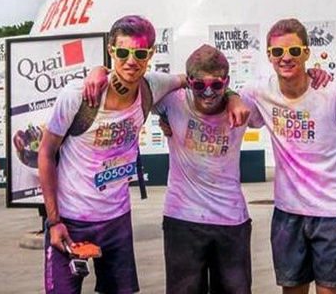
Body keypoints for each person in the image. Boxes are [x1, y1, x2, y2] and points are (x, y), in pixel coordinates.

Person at [38, 15, 249, 294]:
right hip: (71, 218)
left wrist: (233, 95)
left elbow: (199, 80)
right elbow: (46, 152)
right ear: (111, 50)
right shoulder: (78, 96)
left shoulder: (153, 88)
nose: (131, 61)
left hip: (117, 220)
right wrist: (54, 221)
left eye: (139, 53)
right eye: (123, 52)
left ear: (150, 54)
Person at [243, 18, 336, 294]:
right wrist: (166, 119)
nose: (286, 58)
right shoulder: (259, 92)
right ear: (269, 56)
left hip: (333, 212)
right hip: (287, 213)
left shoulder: (332, 91)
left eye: (294, 51)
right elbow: (224, 103)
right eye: (278, 52)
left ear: (306, 52)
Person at [156, 44, 258, 294]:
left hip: (231, 220)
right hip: (183, 220)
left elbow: (287, 92)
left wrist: (233, 96)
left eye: (217, 85)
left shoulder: (244, 108)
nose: (209, 93)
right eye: (200, 85)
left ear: (227, 81)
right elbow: (133, 84)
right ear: (189, 82)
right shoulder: (171, 101)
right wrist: (98, 71)